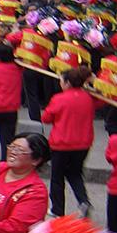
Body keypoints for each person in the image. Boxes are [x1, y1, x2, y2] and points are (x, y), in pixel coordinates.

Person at [41, 65, 96, 218]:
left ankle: (58, 209)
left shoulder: (59, 98)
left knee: (57, 177)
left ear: (68, 83)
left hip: (61, 143)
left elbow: (46, 118)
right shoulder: (88, 98)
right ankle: (83, 200)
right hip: (83, 143)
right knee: (75, 174)